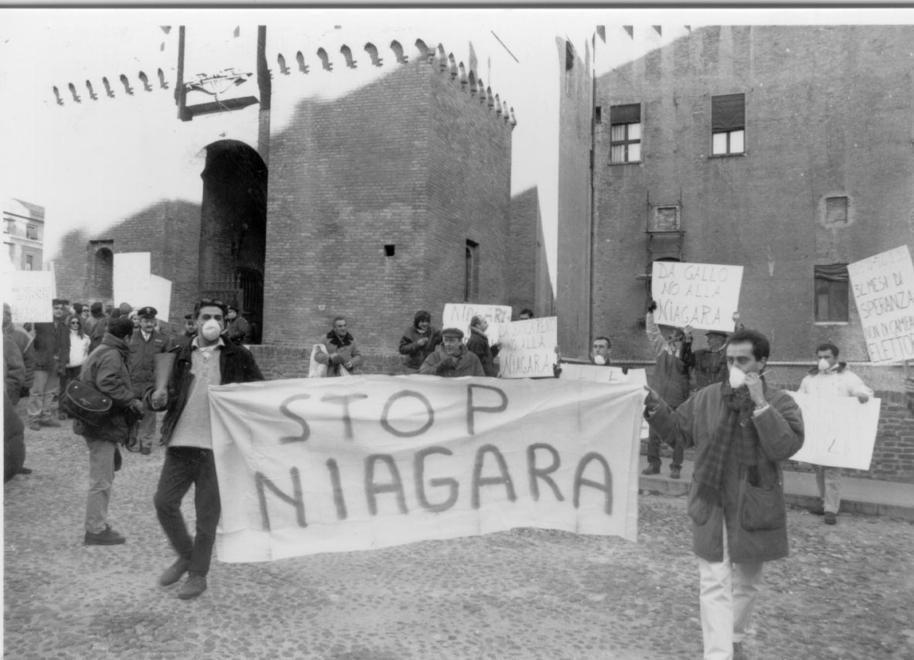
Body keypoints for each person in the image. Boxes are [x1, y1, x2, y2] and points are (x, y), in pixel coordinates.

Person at [644, 328, 804, 660]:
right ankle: (718, 654)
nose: (734, 365)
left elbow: (784, 447)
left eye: (742, 360)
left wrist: (760, 403)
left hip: (754, 504)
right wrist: (655, 406)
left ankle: (733, 635)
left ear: (761, 363)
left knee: (747, 583)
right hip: (710, 500)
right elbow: (678, 434)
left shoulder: (781, 402)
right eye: (730, 359)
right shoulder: (706, 398)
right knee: (714, 582)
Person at [154, 298, 264, 600]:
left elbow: (257, 391)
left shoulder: (237, 355)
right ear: (196, 320)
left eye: (217, 317)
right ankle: (186, 554)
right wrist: (156, 396)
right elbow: (157, 390)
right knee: (164, 502)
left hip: (218, 450)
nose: (211, 322)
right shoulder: (177, 353)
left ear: (224, 324)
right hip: (180, 443)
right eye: (206, 317)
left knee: (207, 516)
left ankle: (197, 574)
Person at [74, 316, 146, 546]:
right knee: (102, 479)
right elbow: (108, 383)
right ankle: (95, 530)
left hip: (96, 422)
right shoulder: (112, 354)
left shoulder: (103, 348)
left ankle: (98, 524)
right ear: (127, 336)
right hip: (100, 424)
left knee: (105, 473)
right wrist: (132, 400)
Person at [798, 342, 873, 525]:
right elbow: (801, 396)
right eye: (820, 357)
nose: (822, 360)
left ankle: (831, 509)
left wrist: (862, 395)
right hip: (816, 431)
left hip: (836, 431)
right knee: (819, 470)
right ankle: (825, 502)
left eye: (827, 357)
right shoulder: (810, 378)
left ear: (836, 358)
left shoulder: (847, 377)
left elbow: (861, 390)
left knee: (832, 471)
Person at [643, 301, 692, 479]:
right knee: (653, 432)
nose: (672, 340)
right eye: (671, 337)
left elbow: (688, 349)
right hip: (657, 395)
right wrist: (650, 314)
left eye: (677, 338)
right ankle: (653, 464)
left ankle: (676, 466)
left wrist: (688, 337)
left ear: (682, 341)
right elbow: (652, 332)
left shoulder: (687, 355)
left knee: (677, 434)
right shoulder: (661, 349)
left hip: (677, 398)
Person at [127, 306, 170, 455]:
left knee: (150, 414)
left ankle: (146, 442)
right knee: (131, 412)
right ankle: (131, 440)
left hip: (150, 383)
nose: (149, 324)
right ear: (139, 321)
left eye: (151, 320)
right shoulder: (129, 337)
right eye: (145, 320)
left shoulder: (163, 339)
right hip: (132, 382)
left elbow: (165, 363)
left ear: (155, 321)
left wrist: (162, 385)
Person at [27, 298, 70, 431]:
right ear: (50, 309)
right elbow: (30, 335)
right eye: (56, 308)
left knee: (50, 392)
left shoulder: (63, 326)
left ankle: (45, 416)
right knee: (37, 392)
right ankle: (34, 418)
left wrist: (63, 362)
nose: (59, 311)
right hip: (41, 363)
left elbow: (66, 346)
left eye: (61, 308)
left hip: (56, 364)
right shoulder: (40, 323)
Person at [59, 314, 91, 418]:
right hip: (66, 366)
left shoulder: (86, 338)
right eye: (73, 322)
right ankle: (62, 411)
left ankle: (74, 411)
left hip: (79, 366)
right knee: (64, 389)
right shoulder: (64, 336)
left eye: (77, 322)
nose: (75, 324)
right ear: (69, 323)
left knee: (77, 390)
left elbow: (86, 352)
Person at [419, 327, 485, 377]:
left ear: (460, 342)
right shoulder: (434, 357)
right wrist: (440, 366)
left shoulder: (472, 358)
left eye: (451, 341)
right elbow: (422, 374)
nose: (448, 344)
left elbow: (480, 379)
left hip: (463, 394)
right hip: (441, 393)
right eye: (446, 340)